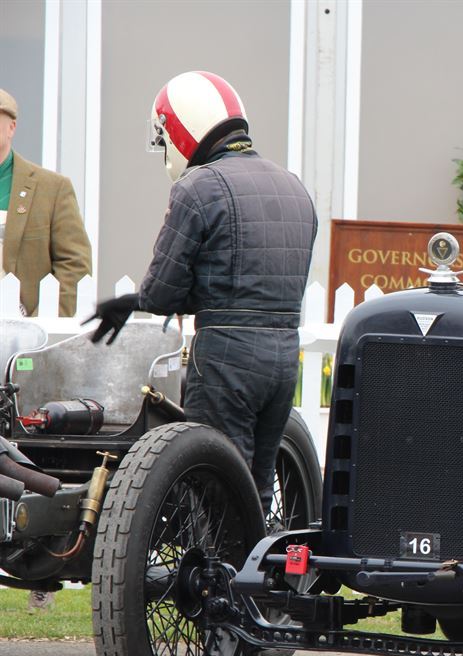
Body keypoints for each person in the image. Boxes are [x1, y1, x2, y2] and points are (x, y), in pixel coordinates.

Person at [85, 71, 317, 514]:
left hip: (228, 357)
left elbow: (161, 293)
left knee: (213, 489)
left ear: (180, 128)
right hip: (285, 354)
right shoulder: (295, 188)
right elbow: (257, 280)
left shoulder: (198, 187)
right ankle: (256, 579)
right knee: (257, 486)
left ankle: (218, 583)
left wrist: (131, 301)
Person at [0, 88, 91, 317]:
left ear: (12, 127)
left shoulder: (52, 189)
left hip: (25, 338)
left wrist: (44, 324)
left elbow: (74, 263)